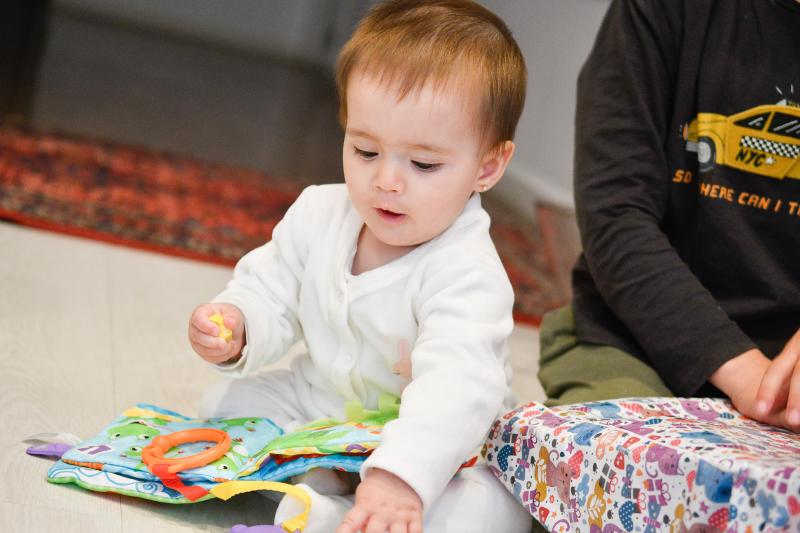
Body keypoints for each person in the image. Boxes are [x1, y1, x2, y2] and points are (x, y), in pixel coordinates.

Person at [188, 1, 533, 532]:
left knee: (490, 509)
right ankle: (323, 490)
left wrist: (402, 474)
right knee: (226, 405)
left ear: (487, 166)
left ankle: (351, 506)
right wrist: (237, 321)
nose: (387, 181)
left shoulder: (468, 272)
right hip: (321, 407)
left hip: (434, 441)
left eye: (422, 164)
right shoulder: (317, 213)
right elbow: (272, 289)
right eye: (365, 150)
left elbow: (456, 388)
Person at [538, 0, 800, 433]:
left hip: (786, 367)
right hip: (634, 337)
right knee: (627, 465)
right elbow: (616, 216)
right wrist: (750, 378)